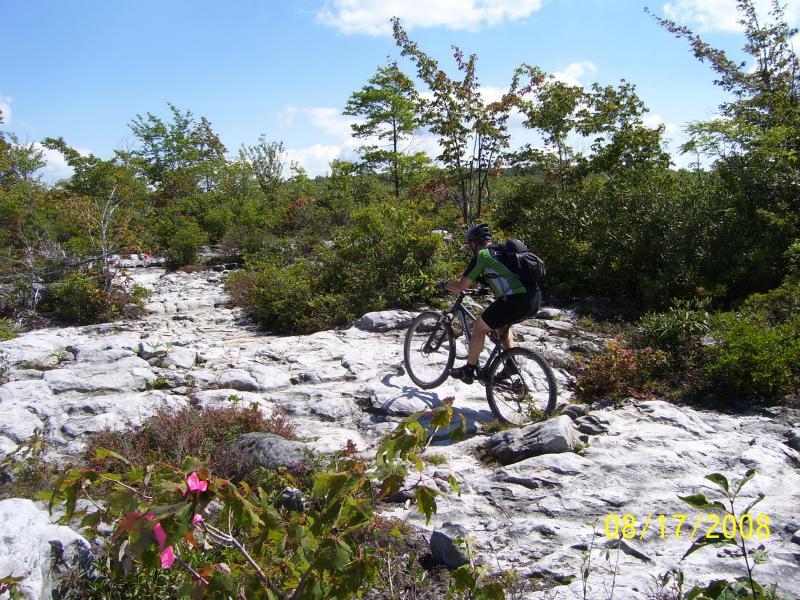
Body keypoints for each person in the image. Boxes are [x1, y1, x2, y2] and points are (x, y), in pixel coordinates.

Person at [437, 223, 541, 384]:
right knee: (500, 324)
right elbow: (500, 278)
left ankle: (468, 370)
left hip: (516, 300)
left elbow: (460, 286)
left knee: (479, 327)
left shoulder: (483, 256)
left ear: (473, 243)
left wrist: (444, 285)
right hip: (534, 298)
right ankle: (510, 363)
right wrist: (482, 290)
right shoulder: (502, 252)